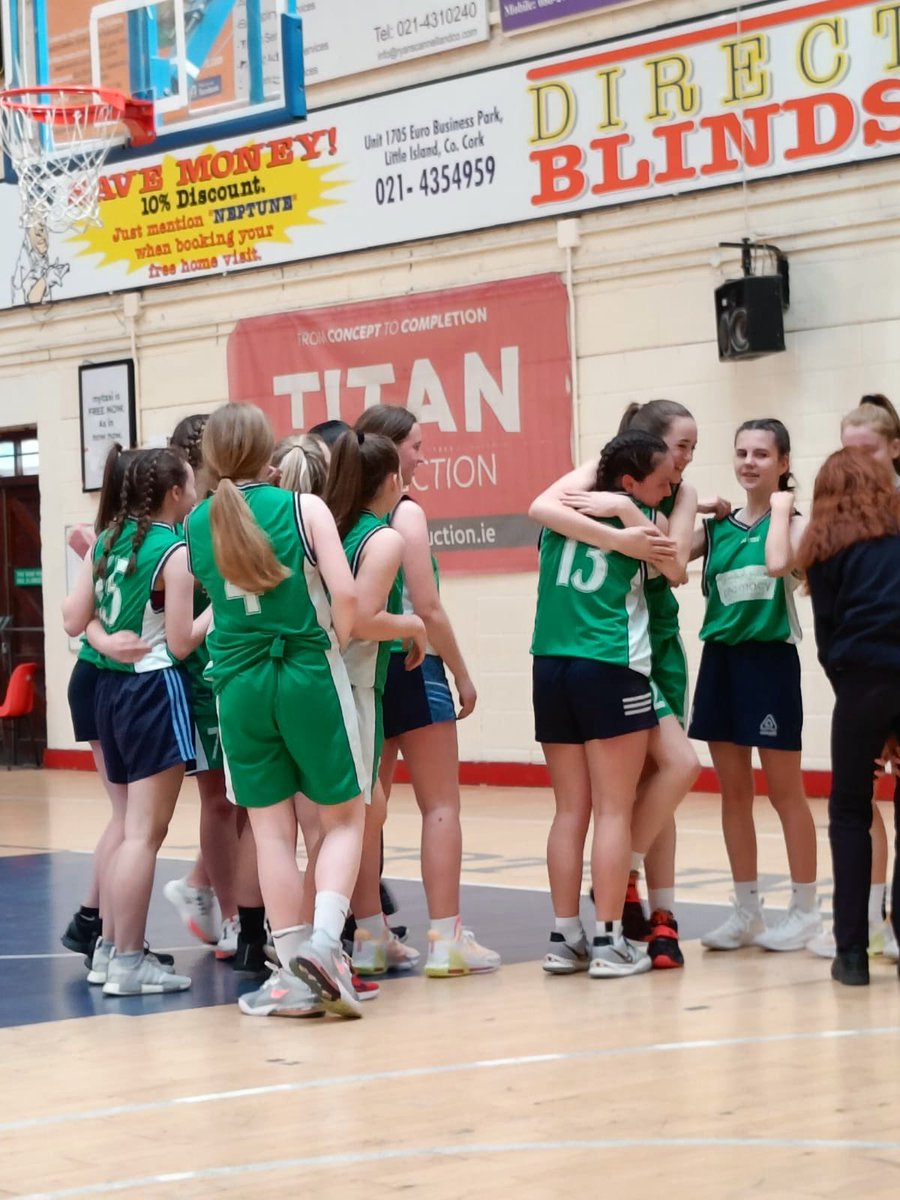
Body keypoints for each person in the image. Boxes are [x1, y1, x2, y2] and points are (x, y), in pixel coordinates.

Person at [184, 402, 368, 1019]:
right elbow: (347, 596)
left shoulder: (195, 525)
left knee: (270, 833)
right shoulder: (302, 506)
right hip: (302, 670)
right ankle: (325, 944)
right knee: (343, 818)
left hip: (237, 685)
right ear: (269, 449)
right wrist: (335, 644)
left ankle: (291, 970)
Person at [543, 399, 712, 968]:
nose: (683, 466)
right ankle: (612, 937)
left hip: (553, 661)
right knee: (617, 806)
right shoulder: (626, 511)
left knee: (575, 810)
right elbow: (673, 567)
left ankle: (566, 936)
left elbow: (543, 509)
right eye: (677, 451)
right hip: (614, 659)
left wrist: (620, 506)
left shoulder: (570, 509)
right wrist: (628, 518)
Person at [354, 404, 499, 977]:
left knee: (369, 807)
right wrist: (461, 671)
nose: (423, 454)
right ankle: (446, 938)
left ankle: (369, 938)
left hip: (366, 669)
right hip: (413, 665)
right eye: (416, 444)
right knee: (440, 804)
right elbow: (429, 606)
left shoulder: (343, 515)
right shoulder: (406, 515)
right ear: (391, 452)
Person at [64, 447, 209, 994]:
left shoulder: (106, 539)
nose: (196, 490)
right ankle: (128, 960)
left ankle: (107, 952)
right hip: (152, 687)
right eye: (192, 483)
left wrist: (103, 638)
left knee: (130, 829)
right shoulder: (173, 552)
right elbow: (179, 641)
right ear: (175, 493)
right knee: (144, 835)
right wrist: (220, 610)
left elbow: (76, 619)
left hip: (109, 692)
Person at [690, 419, 822, 952]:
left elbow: (780, 563)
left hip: (769, 663)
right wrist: (693, 507)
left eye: (762, 454)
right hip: (720, 658)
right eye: (742, 452)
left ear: (783, 463)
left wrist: (784, 506)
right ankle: (747, 909)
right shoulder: (719, 528)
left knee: (785, 792)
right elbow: (670, 559)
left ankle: (806, 909)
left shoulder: (793, 523)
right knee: (733, 792)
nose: (749, 462)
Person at [323, 430, 427, 975]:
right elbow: (358, 619)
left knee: (359, 814)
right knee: (353, 819)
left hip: (325, 681)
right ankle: (314, 940)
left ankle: (365, 933)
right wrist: (411, 624)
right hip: (348, 686)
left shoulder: (331, 527)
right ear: (392, 480)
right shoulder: (381, 539)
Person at [798, 448, 900, 985]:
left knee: (850, 814)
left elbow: (828, 640)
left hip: (861, 676)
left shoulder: (823, 547)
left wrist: (867, 715)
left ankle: (853, 955)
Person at [162, 414, 243, 961]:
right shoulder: (182, 531)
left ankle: (200, 882)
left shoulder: (228, 513)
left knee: (242, 799)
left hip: (238, 667)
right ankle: (236, 917)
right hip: (200, 676)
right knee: (218, 800)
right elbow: (181, 629)